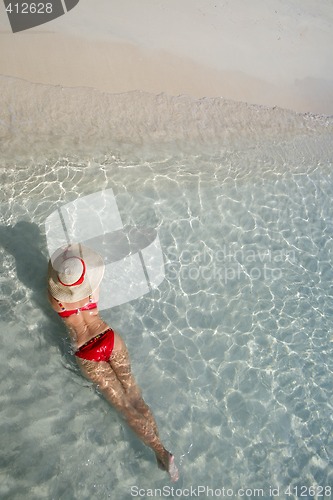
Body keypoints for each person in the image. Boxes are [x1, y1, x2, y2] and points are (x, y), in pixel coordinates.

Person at [47, 243, 179, 482]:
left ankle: (160, 451)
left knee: (124, 407)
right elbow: (88, 267)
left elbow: (52, 272)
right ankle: (161, 450)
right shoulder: (91, 290)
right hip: (109, 338)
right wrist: (72, 255)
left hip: (86, 351)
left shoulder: (57, 300)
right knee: (135, 395)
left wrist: (62, 264)